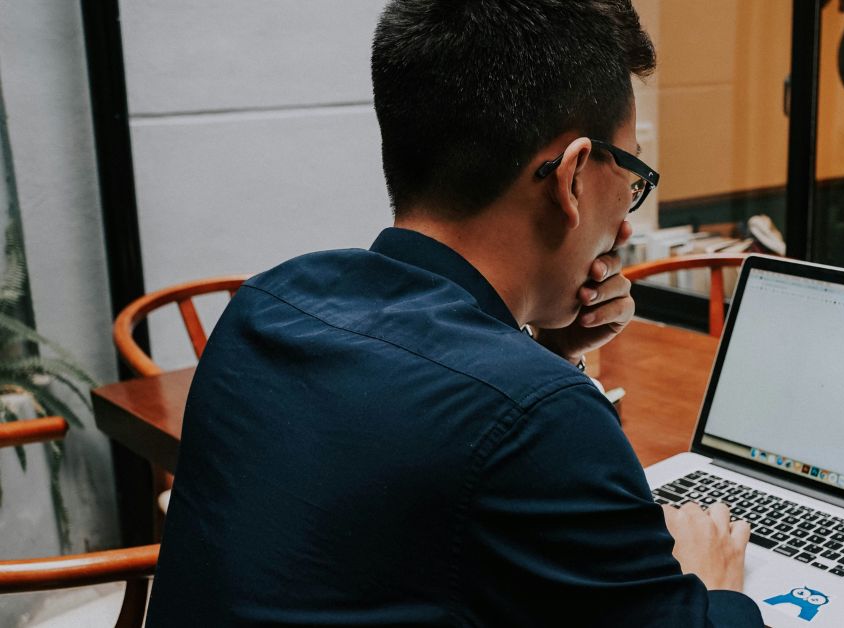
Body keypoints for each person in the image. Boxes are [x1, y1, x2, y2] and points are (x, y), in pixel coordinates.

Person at [145, 1, 760, 626]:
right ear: (572, 176)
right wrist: (712, 580)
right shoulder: (539, 418)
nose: (626, 225)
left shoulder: (266, 307)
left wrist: (544, 354)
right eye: (632, 176)